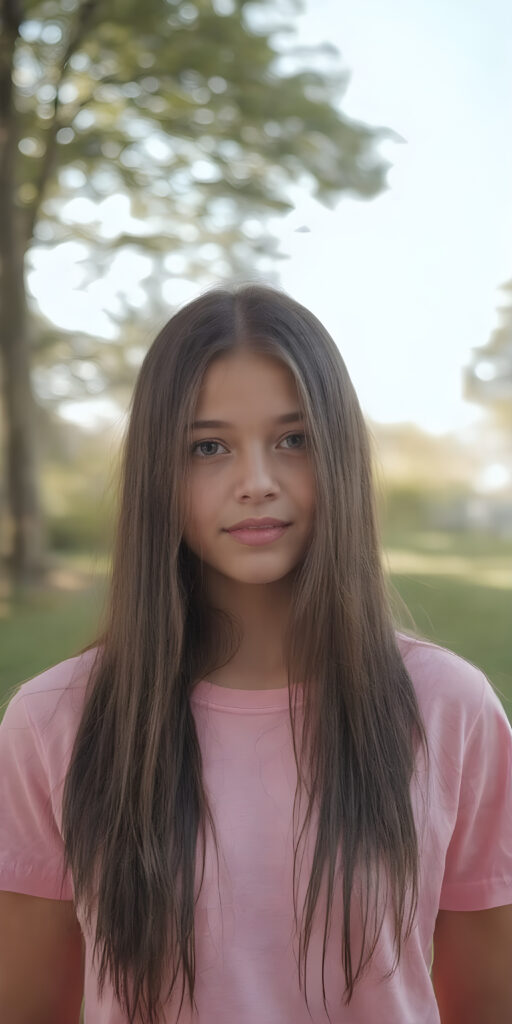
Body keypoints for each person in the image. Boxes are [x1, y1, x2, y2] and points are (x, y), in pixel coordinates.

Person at [0, 283, 511, 1024]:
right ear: (159, 474)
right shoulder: (52, 722)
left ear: (338, 454)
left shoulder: (451, 709)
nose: (256, 484)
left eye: (292, 440)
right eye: (209, 447)